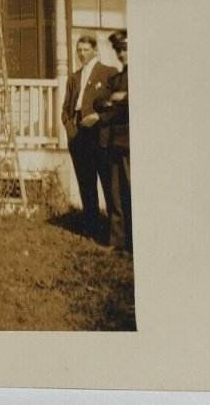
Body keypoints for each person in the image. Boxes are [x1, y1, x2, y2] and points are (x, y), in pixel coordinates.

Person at [61, 35, 118, 244]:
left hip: (99, 134)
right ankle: (91, 228)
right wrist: (69, 127)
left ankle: (114, 234)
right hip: (78, 134)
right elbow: (66, 107)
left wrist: (99, 118)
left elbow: (114, 106)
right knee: (86, 182)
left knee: (107, 181)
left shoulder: (108, 73)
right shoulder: (74, 77)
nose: (81, 54)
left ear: (94, 50)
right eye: (79, 50)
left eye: (85, 50)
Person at [96, 29, 132, 253]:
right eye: (118, 50)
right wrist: (113, 100)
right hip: (115, 141)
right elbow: (101, 100)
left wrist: (125, 97)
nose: (121, 54)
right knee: (116, 193)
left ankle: (135, 244)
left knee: (131, 192)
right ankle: (118, 242)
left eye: (125, 49)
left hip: (131, 142)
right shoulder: (118, 78)